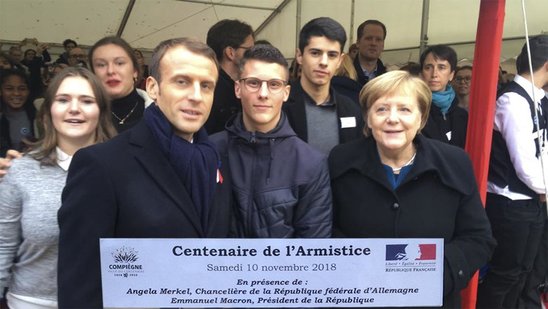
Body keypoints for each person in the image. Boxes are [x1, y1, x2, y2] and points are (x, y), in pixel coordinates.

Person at [57, 37, 233, 308]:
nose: (196, 96)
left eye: (206, 85)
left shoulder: (216, 162)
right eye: (182, 81)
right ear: (152, 87)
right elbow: (80, 286)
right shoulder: (101, 165)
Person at [329, 70, 495, 308]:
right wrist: (360, 269)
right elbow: (327, 231)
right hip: (361, 297)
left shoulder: (454, 162)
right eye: (381, 109)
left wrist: (433, 276)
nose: (392, 118)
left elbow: (478, 239)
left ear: (422, 118)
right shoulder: (340, 161)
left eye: (405, 109)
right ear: (367, 117)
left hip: (433, 299)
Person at [0, 67, 116, 309]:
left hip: (105, 301)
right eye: (63, 100)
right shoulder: (21, 171)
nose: (74, 108)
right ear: (48, 111)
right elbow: (3, 245)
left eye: (86, 100)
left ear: (101, 111)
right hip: (32, 302)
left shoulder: (126, 170)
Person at [210, 44, 332, 238]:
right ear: (237, 89)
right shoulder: (210, 151)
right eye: (253, 83)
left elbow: (312, 249)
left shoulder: (310, 163)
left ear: (286, 92)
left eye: (274, 84)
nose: (263, 93)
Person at [477, 34, 548, 309]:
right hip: (510, 204)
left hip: (530, 202)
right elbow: (525, 165)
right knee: (505, 275)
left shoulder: (538, 100)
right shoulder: (513, 101)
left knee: (523, 272)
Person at [283, 17, 363, 154]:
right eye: (315, 53)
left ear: (340, 61)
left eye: (332, 55)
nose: (324, 62)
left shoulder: (351, 109)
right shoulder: (279, 105)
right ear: (299, 56)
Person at [88, 36, 153, 133]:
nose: (110, 71)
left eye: (119, 63)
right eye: (101, 65)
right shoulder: (85, 117)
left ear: (135, 71)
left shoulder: (160, 114)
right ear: (93, 73)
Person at [205, 19, 254, 134]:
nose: (254, 54)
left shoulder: (232, 84)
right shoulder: (212, 90)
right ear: (230, 52)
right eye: (250, 49)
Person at [419, 45, 468, 148]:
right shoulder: (413, 110)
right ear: (421, 73)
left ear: (451, 74)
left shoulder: (462, 116)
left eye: (441, 67)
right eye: (428, 67)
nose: (434, 74)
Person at [0, 69, 36, 156]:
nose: (16, 93)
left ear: (28, 91)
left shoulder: (37, 116)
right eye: (9, 89)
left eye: (22, 89)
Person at [353, 19, 387, 87]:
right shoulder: (344, 76)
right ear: (358, 42)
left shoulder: (388, 78)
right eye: (368, 38)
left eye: (378, 39)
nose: (373, 43)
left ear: (383, 45)